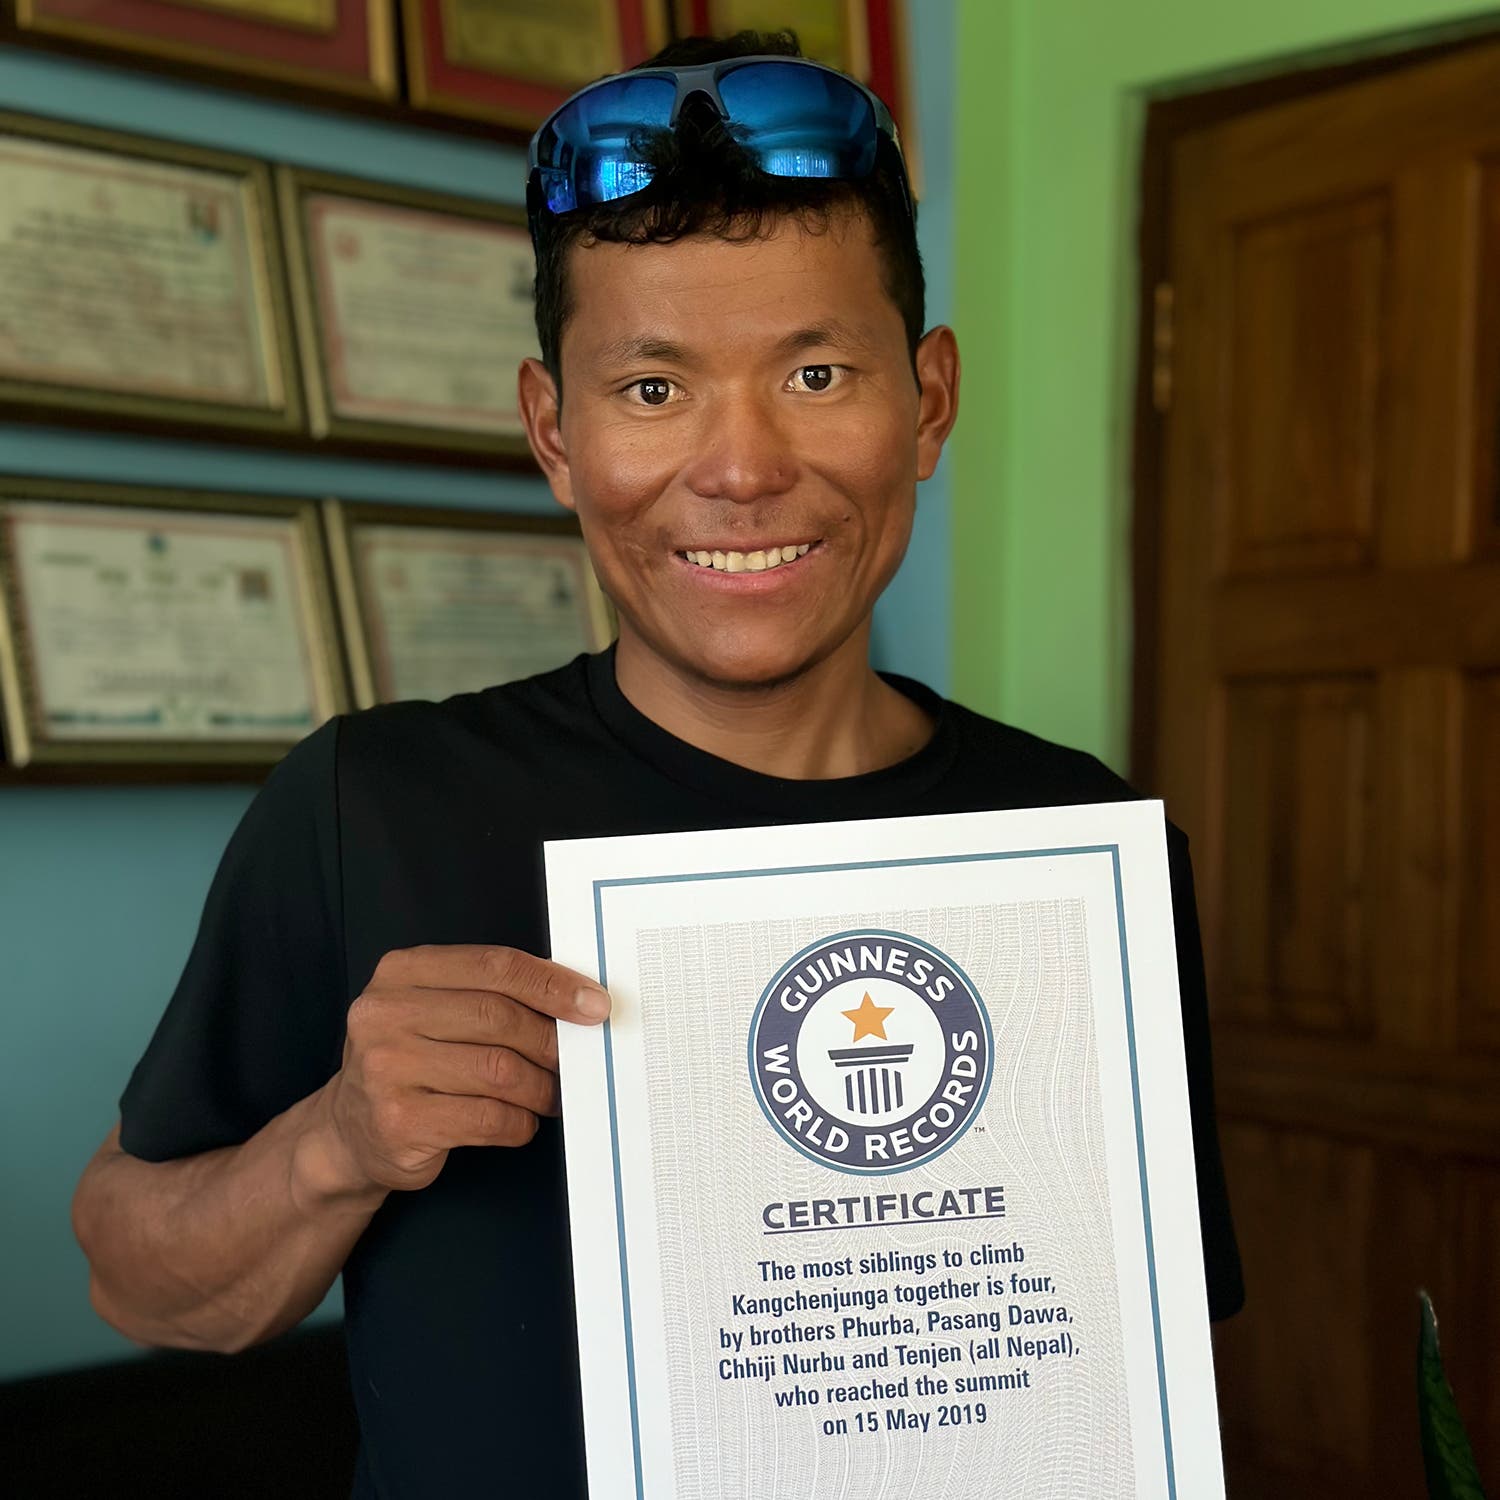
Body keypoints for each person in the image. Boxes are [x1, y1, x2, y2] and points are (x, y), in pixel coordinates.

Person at [72, 30, 1243, 1498]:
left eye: (817, 372)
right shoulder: (373, 804)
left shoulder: (1080, 845)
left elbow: (1141, 1364)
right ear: (554, 433)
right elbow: (141, 1281)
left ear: (928, 401)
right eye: (650, 390)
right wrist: (338, 1142)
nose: (742, 466)